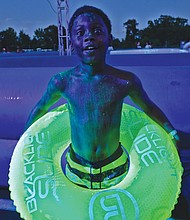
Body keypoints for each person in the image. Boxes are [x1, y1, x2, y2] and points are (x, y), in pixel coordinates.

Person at [24, 5, 179, 189]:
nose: (89, 37)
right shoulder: (63, 82)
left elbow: (148, 107)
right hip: (76, 170)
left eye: (97, 31)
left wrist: (171, 131)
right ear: (71, 42)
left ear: (109, 38)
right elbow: (41, 107)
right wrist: (25, 140)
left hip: (116, 168)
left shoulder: (124, 81)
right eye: (80, 33)